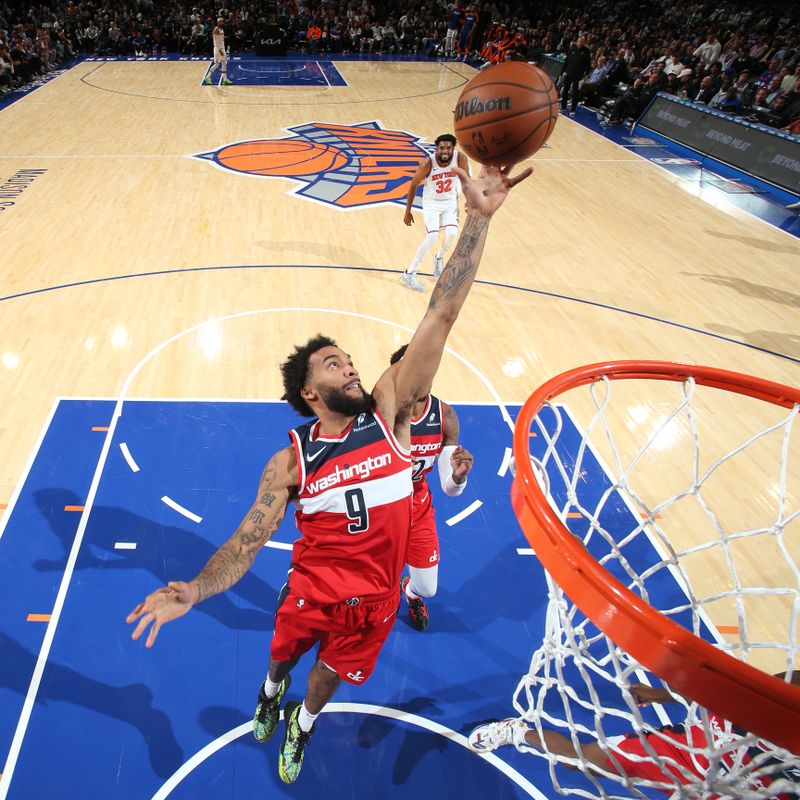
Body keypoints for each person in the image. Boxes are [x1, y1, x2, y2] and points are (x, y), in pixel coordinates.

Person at [127, 163, 532, 784]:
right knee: (283, 659)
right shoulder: (293, 459)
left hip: (372, 604)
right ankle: (269, 692)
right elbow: (245, 543)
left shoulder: (390, 415)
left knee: (324, 682)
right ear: (309, 393)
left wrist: (475, 221)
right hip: (311, 595)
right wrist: (198, 590)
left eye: (346, 359)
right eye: (331, 364)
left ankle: (304, 724)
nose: (348, 367)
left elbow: (440, 316)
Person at [468, 673, 800, 797]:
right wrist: (661, 694)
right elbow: (729, 691)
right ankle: (516, 730)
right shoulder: (793, 683)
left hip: (753, 788)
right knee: (580, 763)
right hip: (701, 746)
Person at [389, 344, 473, 631]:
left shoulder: (445, 416)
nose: (423, 376)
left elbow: (449, 488)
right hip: (379, 507)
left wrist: (459, 477)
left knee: (428, 589)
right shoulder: (378, 413)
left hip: (416, 506)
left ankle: (410, 592)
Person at [401, 133, 470, 293]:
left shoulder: (460, 159)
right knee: (432, 236)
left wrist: (468, 200)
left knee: (452, 234)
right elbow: (413, 185)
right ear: (436, 148)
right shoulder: (428, 163)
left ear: (453, 148)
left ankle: (438, 257)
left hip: (450, 201)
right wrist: (408, 211)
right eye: (441, 148)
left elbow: (466, 181)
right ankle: (409, 273)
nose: (445, 151)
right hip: (431, 202)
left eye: (448, 147)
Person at [560, 35, 591, 115]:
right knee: (565, 90)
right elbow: (566, 62)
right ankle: (563, 107)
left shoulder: (586, 51)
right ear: (577, 41)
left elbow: (588, 64)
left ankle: (573, 109)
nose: (580, 43)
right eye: (579, 41)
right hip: (568, 73)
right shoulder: (572, 49)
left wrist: (587, 74)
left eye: (582, 41)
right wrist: (561, 73)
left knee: (575, 92)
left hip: (578, 75)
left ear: (584, 42)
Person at [203, 17, 232, 85]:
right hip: (218, 49)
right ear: (217, 22)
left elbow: (220, 38)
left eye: (222, 21)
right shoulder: (216, 29)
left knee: (224, 63)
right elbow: (215, 42)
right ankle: (207, 77)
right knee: (217, 64)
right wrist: (220, 50)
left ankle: (225, 79)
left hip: (222, 48)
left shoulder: (221, 29)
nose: (221, 23)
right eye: (220, 21)